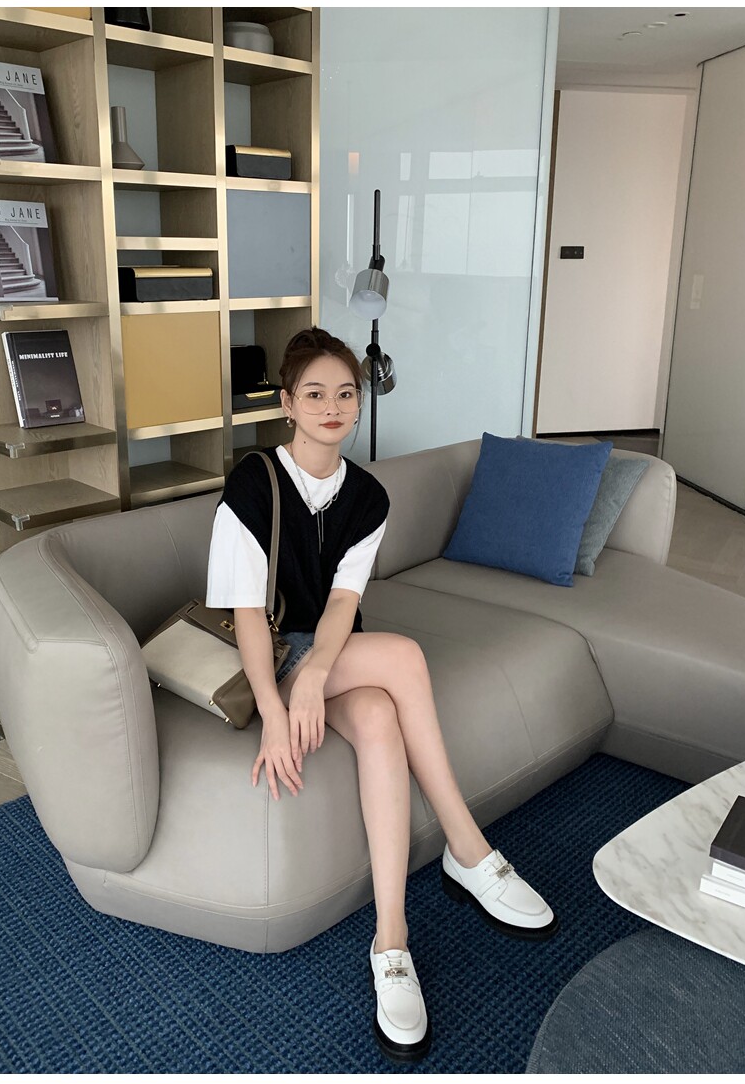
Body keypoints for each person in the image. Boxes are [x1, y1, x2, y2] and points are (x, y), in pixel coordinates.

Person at [206, 327, 557, 1064]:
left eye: (345, 393)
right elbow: (246, 614)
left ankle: (390, 940)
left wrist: (316, 675)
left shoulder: (368, 496)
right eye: (314, 394)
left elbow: (343, 604)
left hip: (330, 656)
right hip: (272, 653)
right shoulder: (253, 482)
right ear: (286, 403)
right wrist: (275, 707)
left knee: (377, 708)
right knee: (400, 661)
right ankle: (468, 849)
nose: (332, 407)